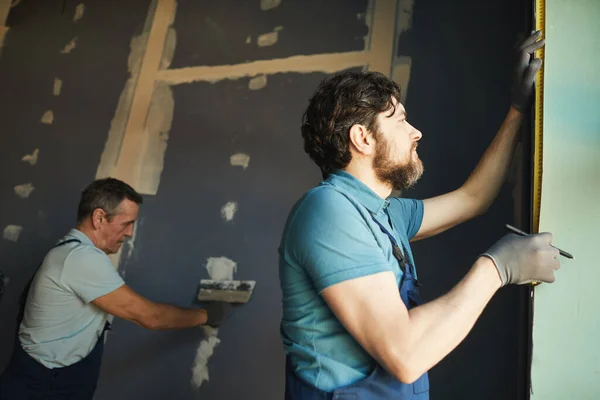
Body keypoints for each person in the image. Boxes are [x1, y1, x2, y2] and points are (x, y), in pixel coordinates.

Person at [279, 31, 558, 399]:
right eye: (400, 120)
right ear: (363, 139)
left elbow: (473, 198)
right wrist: (496, 268)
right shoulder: (328, 211)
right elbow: (405, 355)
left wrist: (517, 110)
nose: (416, 132)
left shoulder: (383, 214)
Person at [0, 178, 231, 399]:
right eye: (127, 223)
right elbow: (151, 317)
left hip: (50, 379)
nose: (130, 233)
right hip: (43, 386)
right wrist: (208, 315)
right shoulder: (81, 259)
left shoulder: (69, 252)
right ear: (99, 218)